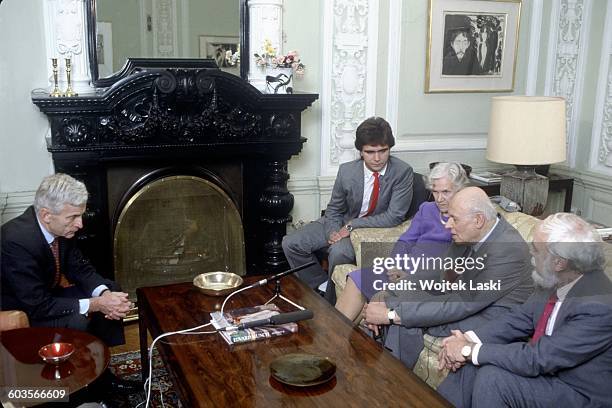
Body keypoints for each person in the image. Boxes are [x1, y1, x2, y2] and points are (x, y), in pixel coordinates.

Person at [437, 213, 612, 407]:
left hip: (576, 392)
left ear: (559, 263)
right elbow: (519, 318)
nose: (531, 255)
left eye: (536, 250)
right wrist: (467, 340)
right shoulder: (557, 278)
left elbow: (539, 358)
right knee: (473, 364)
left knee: (493, 378)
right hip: (550, 372)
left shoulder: (599, 307)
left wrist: (469, 350)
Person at [362, 187, 533, 368]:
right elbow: (440, 272)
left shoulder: (507, 250)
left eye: (454, 219)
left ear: (478, 220)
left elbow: (463, 303)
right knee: (387, 300)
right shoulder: (468, 233)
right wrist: (390, 291)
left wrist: (390, 315)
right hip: (462, 299)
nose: (447, 225)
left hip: (489, 317)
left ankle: (394, 380)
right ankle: (369, 367)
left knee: (404, 319)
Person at [1, 173, 140, 394]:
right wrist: (96, 304)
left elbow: (81, 269)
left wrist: (104, 295)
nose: (80, 224)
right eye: (74, 217)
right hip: (24, 310)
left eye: (81, 215)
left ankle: (102, 376)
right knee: (78, 317)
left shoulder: (60, 226)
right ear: (46, 215)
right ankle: (78, 389)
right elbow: (38, 305)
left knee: (112, 289)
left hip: (47, 297)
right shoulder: (16, 240)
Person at [282, 116, 414, 303]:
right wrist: (333, 232)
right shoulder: (347, 171)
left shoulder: (402, 172)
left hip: (371, 230)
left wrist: (352, 226)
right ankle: (321, 287)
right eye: (370, 152)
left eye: (383, 151)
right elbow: (335, 208)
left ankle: (329, 305)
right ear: (360, 151)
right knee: (291, 243)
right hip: (342, 222)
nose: (377, 158)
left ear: (389, 148)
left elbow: (394, 216)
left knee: (339, 252)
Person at [335, 162, 469, 321]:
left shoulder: (466, 218)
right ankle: (334, 339)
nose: (439, 199)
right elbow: (406, 240)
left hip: (425, 279)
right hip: (402, 268)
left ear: (460, 190)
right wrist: (394, 265)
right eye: (435, 191)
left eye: (446, 192)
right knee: (356, 279)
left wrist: (410, 276)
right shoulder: (427, 208)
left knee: (375, 300)